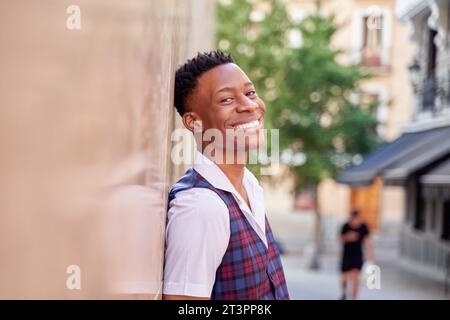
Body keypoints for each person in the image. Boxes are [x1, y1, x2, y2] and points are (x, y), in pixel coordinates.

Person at [162, 50, 290, 300]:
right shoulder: (201, 207)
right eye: (226, 100)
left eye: (250, 93)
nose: (250, 105)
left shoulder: (248, 184)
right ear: (193, 122)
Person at [339, 209, 374, 300]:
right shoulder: (345, 226)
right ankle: (344, 292)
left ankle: (354, 297)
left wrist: (371, 257)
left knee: (356, 277)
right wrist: (348, 237)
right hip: (346, 255)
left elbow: (367, 242)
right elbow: (340, 239)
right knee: (344, 277)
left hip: (357, 255)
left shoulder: (363, 227)